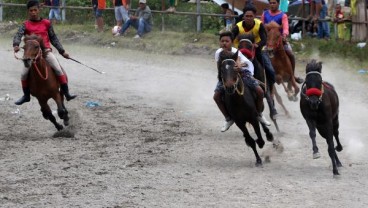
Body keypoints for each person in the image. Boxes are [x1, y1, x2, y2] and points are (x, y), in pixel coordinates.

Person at [12, 0, 76, 105]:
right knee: (23, 74)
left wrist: (62, 51)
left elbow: (53, 38)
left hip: (45, 51)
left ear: (39, 10)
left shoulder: (46, 23)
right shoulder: (25, 24)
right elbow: (18, 35)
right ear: (28, 11)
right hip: (31, 53)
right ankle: (26, 95)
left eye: (35, 10)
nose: (33, 12)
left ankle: (66, 93)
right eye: (31, 10)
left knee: (58, 69)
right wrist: (16, 45)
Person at [214, 31, 271, 132]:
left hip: (243, 74)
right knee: (216, 96)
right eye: (222, 41)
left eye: (227, 41)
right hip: (227, 76)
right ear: (219, 42)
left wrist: (240, 66)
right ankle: (228, 118)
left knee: (260, 91)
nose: (224, 43)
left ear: (231, 42)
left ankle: (259, 114)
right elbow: (220, 67)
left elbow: (245, 63)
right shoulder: (218, 53)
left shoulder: (237, 52)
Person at [232, 5, 276, 92]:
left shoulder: (259, 25)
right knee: (228, 66)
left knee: (270, 69)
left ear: (255, 16)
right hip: (240, 51)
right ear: (243, 16)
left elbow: (264, 39)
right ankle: (225, 84)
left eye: (251, 16)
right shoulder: (237, 27)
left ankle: (269, 86)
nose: (248, 18)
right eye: (247, 16)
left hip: (257, 50)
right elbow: (231, 38)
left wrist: (258, 45)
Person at [261, 0, 303, 83]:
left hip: (279, 40)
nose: (272, 5)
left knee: (290, 54)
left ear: (278, 4)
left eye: (274, 3)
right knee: (260, 55)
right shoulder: (265, 14)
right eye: (271, 3)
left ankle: (292, 76)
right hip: (268, 40)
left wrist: (284, 35)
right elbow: (261, 26)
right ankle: (262, 75)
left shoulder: (282, 15)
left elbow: (286, 27)